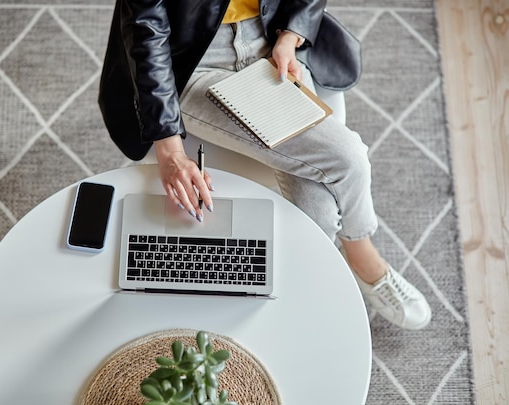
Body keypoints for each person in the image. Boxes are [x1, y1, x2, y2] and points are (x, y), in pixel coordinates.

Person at [98, 0, 431, 330]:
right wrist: (170, 152)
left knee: (322, 210)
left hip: (269, 36)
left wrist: (290, 36)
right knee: (349, 159)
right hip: (191, 59)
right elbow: (147, 29)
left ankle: (318, 282)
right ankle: (362, 260)